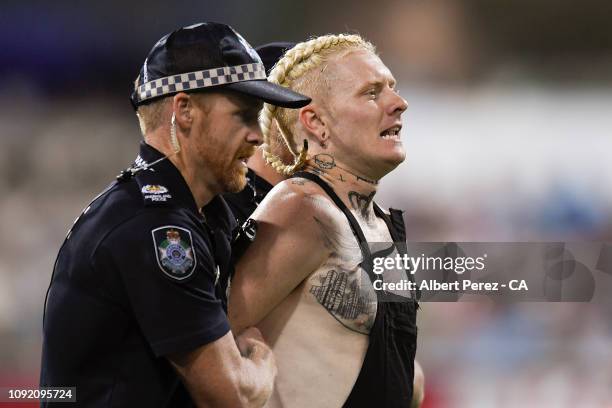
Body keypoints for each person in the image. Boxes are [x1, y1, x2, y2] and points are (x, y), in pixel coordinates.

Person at [40, 22, 310, 408]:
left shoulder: (202, 212)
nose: (258, 135)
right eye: (244, 115)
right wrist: (262, 358)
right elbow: (232, 396)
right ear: (184, 110)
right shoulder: (154, 228)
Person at [225, 42, 426, 407]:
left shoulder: (379, 223)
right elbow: (207, 340)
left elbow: (402, 374)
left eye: (392, 87)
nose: (399, 103)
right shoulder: (301, 208)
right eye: (371, 93)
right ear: (315, 122)